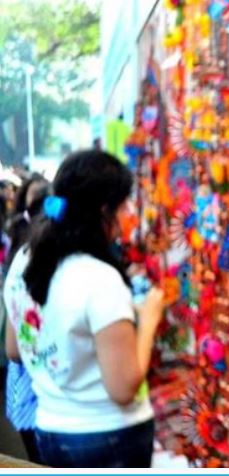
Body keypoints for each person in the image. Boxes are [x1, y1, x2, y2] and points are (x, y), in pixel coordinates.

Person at [3, 150, 166, 468]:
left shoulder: (25, 259)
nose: (129, 214)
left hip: (50, 431)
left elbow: (14, 349)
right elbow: (124, 388)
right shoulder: (98, 278)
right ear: (105, 210)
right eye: (124, 205)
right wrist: (148, 320)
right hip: (108, 437)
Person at [3, 173, 50, 464]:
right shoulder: (43, 263)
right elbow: (14, 349)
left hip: (27, 399)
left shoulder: (21, 257)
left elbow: (12, 349)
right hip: (42, 402)